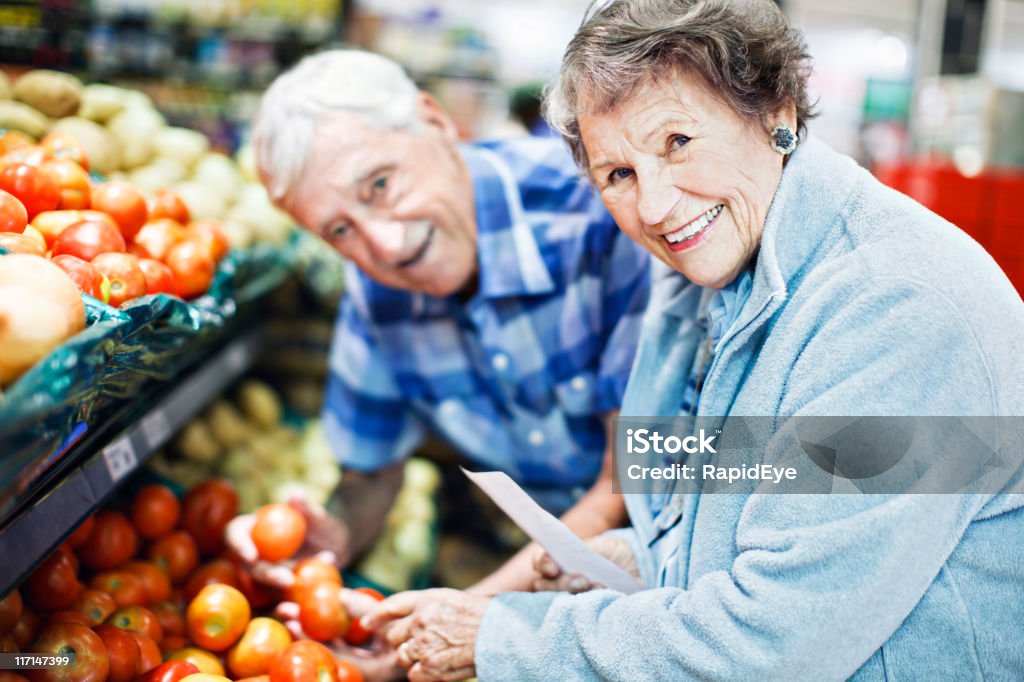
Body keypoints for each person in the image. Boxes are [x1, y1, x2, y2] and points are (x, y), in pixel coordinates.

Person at [359, 1, 1024, 680]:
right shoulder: (707, 285)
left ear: (778, 115)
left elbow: (776, 641)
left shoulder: (894, 309)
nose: (654, 207)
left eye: (678, 142)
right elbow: (762, 518)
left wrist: (506, 639)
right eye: (617, 174)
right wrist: (642, 561)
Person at [231, 49, 650, 600]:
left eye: (380, 185)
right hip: (538, 562)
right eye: (339, 230)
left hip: (678, 547)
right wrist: (331, 538)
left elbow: (632, 481)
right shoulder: (377, 293)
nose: (384, 244)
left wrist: (471, 618)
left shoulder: (602, 211)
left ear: (434, 122)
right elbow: (371, 474)